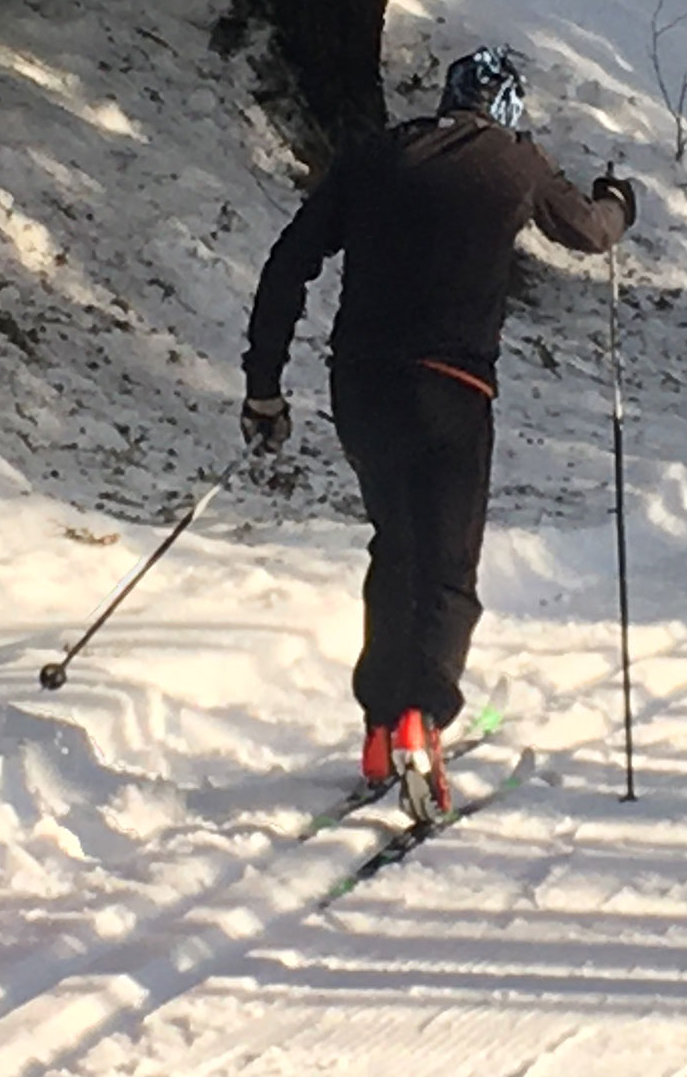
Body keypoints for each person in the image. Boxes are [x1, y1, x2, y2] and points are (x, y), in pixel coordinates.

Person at [240, 48, 635, 822]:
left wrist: (263, 384)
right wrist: (619, 200)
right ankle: (424, 712)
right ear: (511, 109)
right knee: (449, 563)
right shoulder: (515, 162)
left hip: (359, 384)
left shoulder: (378, 153)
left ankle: (381, 726)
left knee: (396, 542)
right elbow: (589, 233)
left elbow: (289, 261)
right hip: (452, 389)